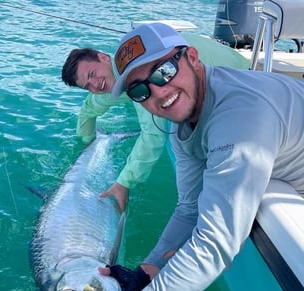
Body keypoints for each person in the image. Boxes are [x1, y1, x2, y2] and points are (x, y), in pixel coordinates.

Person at [81, 22, 304, 291]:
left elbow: (216, 244)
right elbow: (189, 206)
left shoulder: (240, 116)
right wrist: (146, 272)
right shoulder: (181, 119)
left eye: (163, 72)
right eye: (140, 90)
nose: (159, 92)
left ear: (193, 58)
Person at [61, 34, 249, 212]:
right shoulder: (115, 72)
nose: (95, 84)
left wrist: (124, 183)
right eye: (88, 85)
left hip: (238, 77)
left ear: (103, 57)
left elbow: (153, 136)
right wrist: (87, 141)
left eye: (92, 74)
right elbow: (89, 109)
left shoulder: (137, 72)